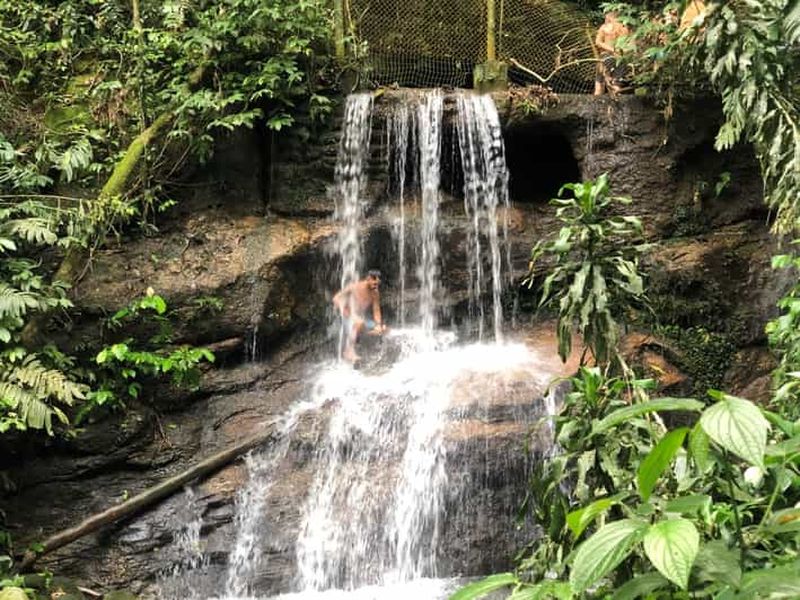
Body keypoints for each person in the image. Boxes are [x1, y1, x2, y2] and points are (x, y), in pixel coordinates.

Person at [333, 270, 387, 363]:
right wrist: (346, 311)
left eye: (377, 284)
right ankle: (349, 351)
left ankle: (376, 353)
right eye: (374, 283)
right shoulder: (354, 287)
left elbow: (376, 310)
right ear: (368, 279)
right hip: (346, 317)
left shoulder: (375, 293)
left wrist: (378, 325)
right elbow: (336, 299)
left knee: (384, 328)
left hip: (359, 318)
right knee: (359, 323)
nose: (376, 286)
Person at [594, 10, 631, 96]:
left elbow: (598, 42)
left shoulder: (619, 28)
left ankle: (612, 87)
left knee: (602, 82)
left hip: (616, 58)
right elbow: (598, 42)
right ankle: (612, 87)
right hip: (611, 57)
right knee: (612, 82)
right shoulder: (621, 28)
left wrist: (615, 51)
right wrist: (613, 50)